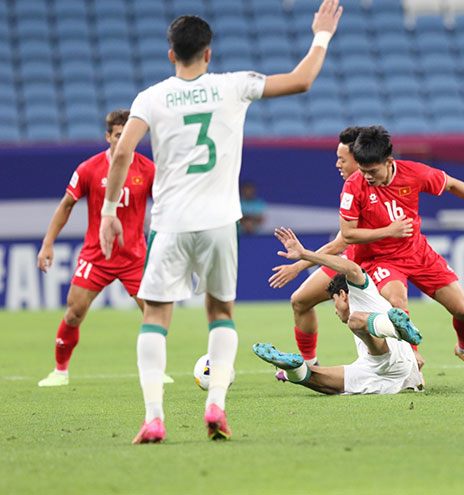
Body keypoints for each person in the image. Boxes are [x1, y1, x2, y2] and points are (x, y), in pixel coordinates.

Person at [98, 2, 343, 444]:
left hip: (170, 224)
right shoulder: (234, 86)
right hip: (218, 224)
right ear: (208, 53)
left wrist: (110, 210)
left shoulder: (150, 98)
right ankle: (216, 407)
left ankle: (154, 417)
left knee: (155, 315)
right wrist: (321, 34)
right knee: (221, 314)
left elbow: (121, 154)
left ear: (171, 54)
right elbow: (303, 79)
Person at [338, 126, 464, 381]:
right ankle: (412, 356)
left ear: (389, 162)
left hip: (418, 253)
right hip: (380, 259)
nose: (367, 177)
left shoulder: (414, 173)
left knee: (462, 310)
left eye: (372, 171)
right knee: (397, 302)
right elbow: (348, 234)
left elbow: (451, 184)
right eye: (363, 171)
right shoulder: (354, 186)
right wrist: (388, 231)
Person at [36, 110, 174, 387]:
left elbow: (165, 207)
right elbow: (66, 205)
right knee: (74, 312)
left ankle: (155, 371)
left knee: (153, 312)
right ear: (108, 136)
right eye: (118, 136)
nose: (123, 141)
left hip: (135, 257)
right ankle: (60, 371)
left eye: (128, 136)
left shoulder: (148, 170)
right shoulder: (89, 168)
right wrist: (48, 243)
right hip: (96, 256)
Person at [253, 227, 424, 395]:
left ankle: (396, 330)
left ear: (342, 295)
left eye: (334, 302)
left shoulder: (362, 292)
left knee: (355, 321)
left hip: (395, 358)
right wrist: (291, 373)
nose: (335, 311)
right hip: (377, 370)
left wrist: (304, 254)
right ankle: (295, 368)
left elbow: (352, 269)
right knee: (318, 381)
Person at [267, 126, 364, 366]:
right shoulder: (351, 186)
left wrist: (299, 266)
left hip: (376, 263)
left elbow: (340, 242)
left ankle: (403, 361)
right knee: (300, 300)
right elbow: (342, 243)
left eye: (342, 159)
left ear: (358, 158)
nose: (337, 165)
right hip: (351, 260)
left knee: (367, 314)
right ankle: (310, 366)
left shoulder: (369, 183)